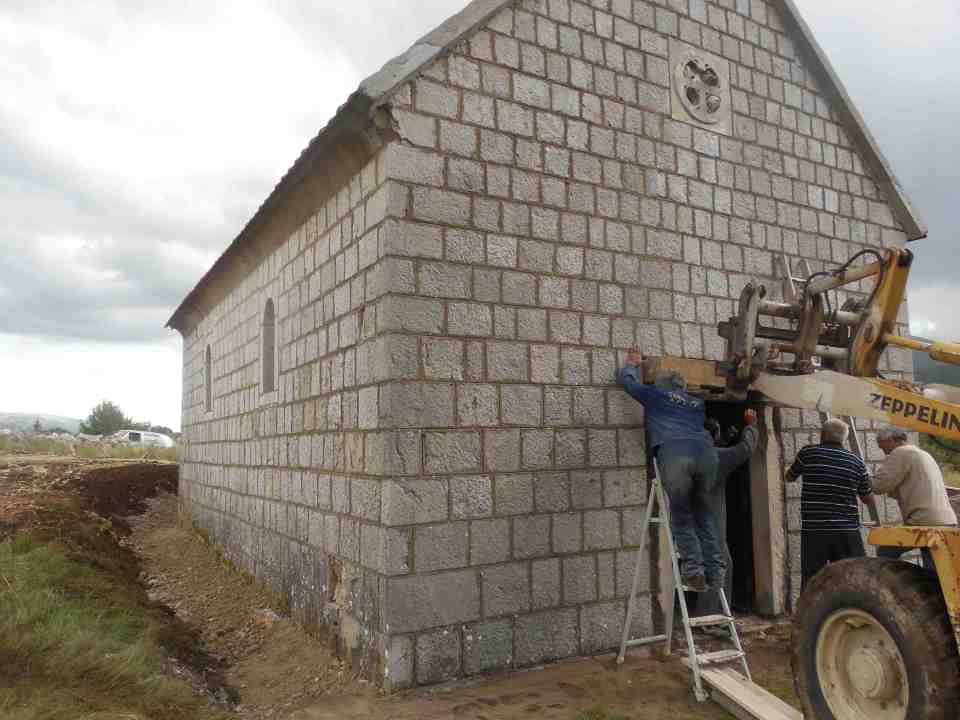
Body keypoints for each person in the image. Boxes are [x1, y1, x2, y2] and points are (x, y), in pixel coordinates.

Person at [618, 350, 722, 592]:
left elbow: (627, 382)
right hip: (706, 455)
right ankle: (716, 573)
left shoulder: (656, 394)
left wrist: (631, 364)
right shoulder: (697, 403)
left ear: (661, 384)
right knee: (703, 513)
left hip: (676, 456)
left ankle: (694, 573)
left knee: (682, 515)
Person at [786, 418, 881, 589]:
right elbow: (867, 499)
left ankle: (810, 607)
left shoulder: (807, 453)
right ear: (844, 438)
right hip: (847, 532)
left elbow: (790, 477)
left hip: (815, 530)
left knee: (812, 580)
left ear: (822, 434)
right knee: (853, 578)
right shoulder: (856, 461)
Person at [696, 410, 761, 623]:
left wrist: (724, 439)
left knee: (720, 564)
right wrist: (751, 425)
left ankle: (716, 614)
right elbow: (745, 449)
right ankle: (709, 619)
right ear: (713, 436)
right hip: (710, 524)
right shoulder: (716, 457)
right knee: (717, 565)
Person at [873, 427, 957, 569]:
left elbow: (879, 486)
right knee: (934, 569)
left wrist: (863, 478)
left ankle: (899, 581)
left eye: (882, 446)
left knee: (886, 550)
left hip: (924, 521)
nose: (885, 452)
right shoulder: (923, 454)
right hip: (945, 520)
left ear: (890, 440)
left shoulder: (901, 452)